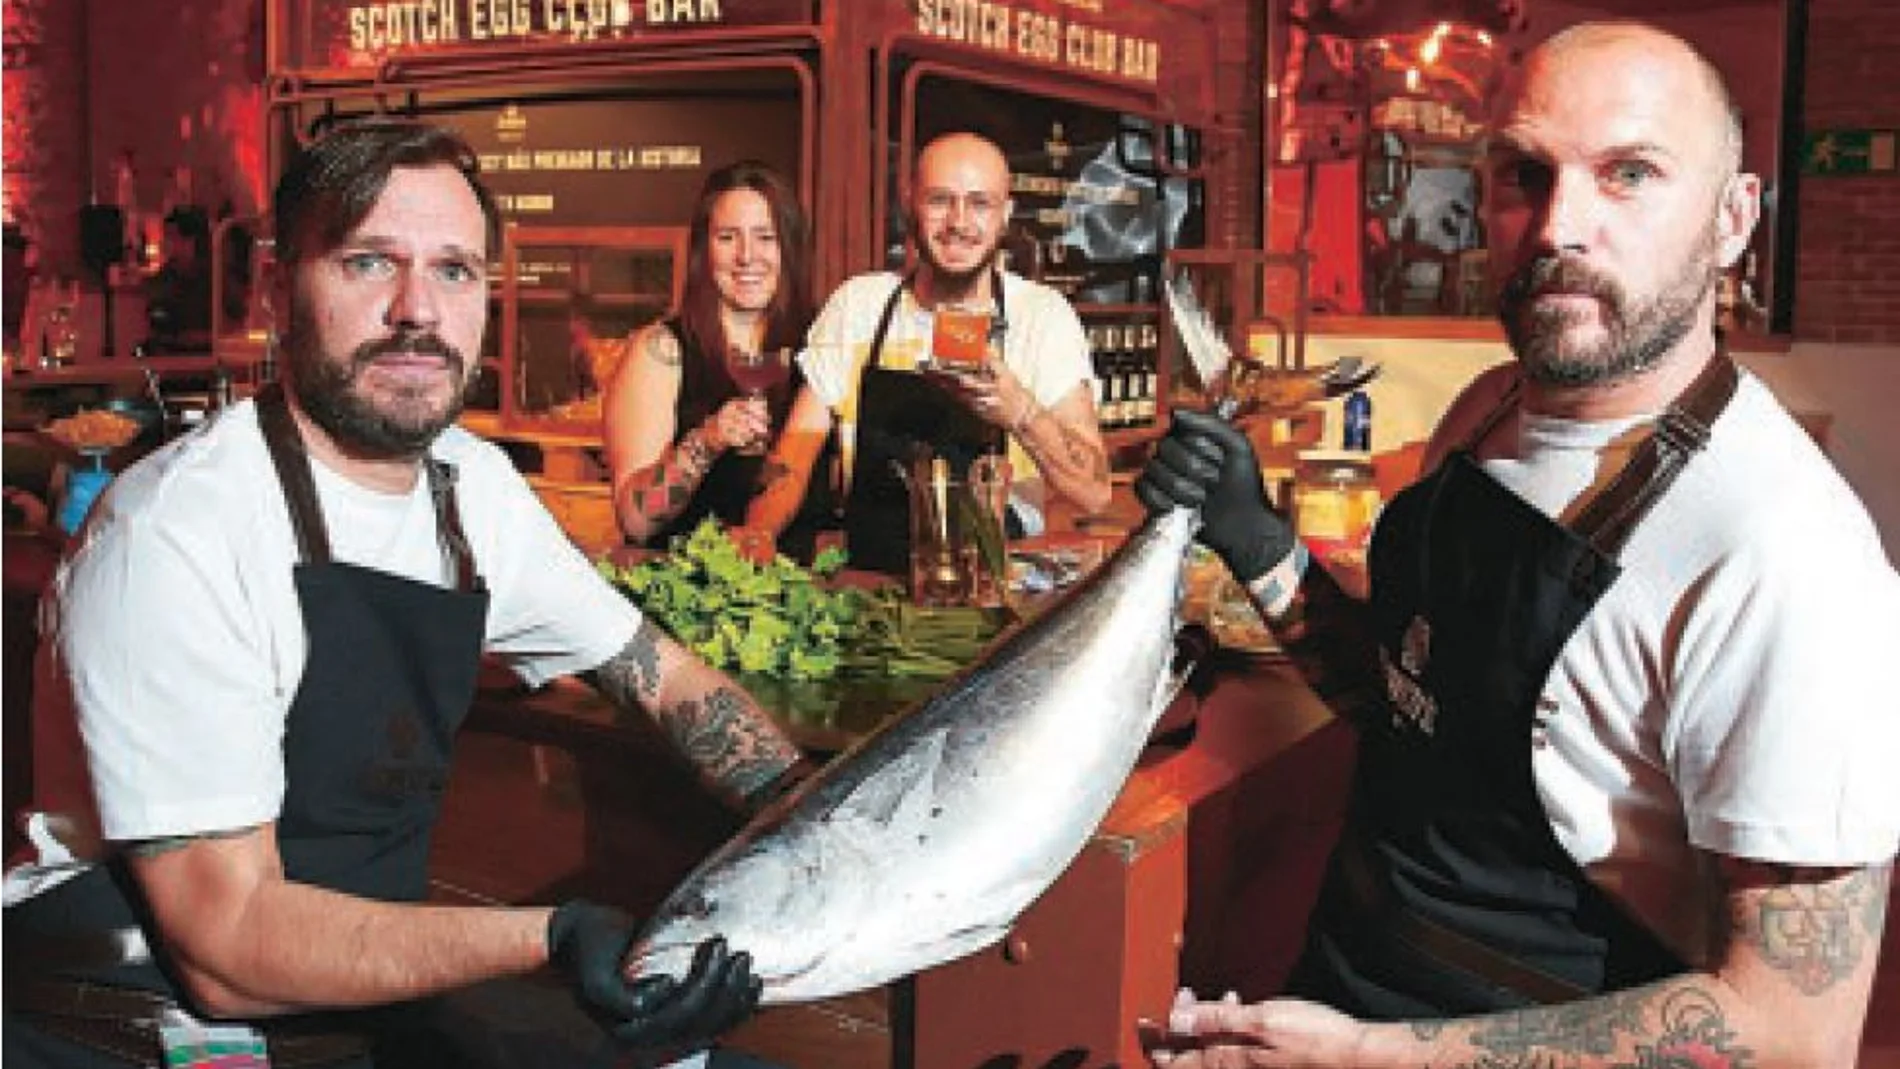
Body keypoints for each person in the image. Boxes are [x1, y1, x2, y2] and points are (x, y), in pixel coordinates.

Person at [1137, 22, 1897, 1068]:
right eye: (1522, 175)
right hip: (1341, 985)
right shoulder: (1486, 411)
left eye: (1628, 173)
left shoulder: (1779, 555)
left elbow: (1791, 1033)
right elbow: (1403, 703)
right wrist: (1254, 534)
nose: (1557, 227)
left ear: (1732, 220)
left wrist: (1368, 1057)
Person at [3, 119, 812, 1068]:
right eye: (368, 263)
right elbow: (227, 945)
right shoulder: (180, 532)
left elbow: (663, 679)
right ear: (278, 289)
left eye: (455, 270)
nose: (417, 309)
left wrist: (817, 826)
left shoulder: (472, 491)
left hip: (348, 1001)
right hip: (139, 1017)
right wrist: (553, 937)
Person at [744, 131, 1111, 576]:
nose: (958, 222)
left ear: (1005, 216)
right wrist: (759, 530)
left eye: (979, 203)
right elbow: (796, 450)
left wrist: (1021, 411)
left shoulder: (1042, 318)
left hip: (994, 580)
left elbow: (1094, 493)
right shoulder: (860, 306)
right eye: (940, 200)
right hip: (870, 571)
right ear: (909, 204)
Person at [603, 160, 817, 556]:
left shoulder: (819, 347)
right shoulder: (661, 351)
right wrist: (706, 441)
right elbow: (635, 521)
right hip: (690, 588)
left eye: (766, 237)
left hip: (796, 594)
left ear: (789, 247)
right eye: (727, 237)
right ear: (704, 248)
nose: (747, 256)